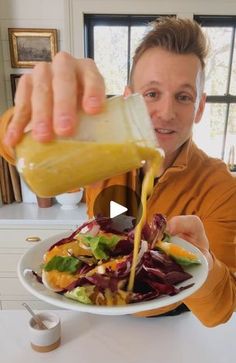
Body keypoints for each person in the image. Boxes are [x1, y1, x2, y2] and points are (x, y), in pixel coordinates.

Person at [0, 17, 235, 326]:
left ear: (200, 107)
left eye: (183, 96)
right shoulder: (101, 154)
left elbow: (220, 312)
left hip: (170, 319)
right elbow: (12, 147)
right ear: (128, 98)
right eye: (152, 93)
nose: (166, 113)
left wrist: (205, 260)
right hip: (94, 307)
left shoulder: (220, 186)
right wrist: (32, 120)